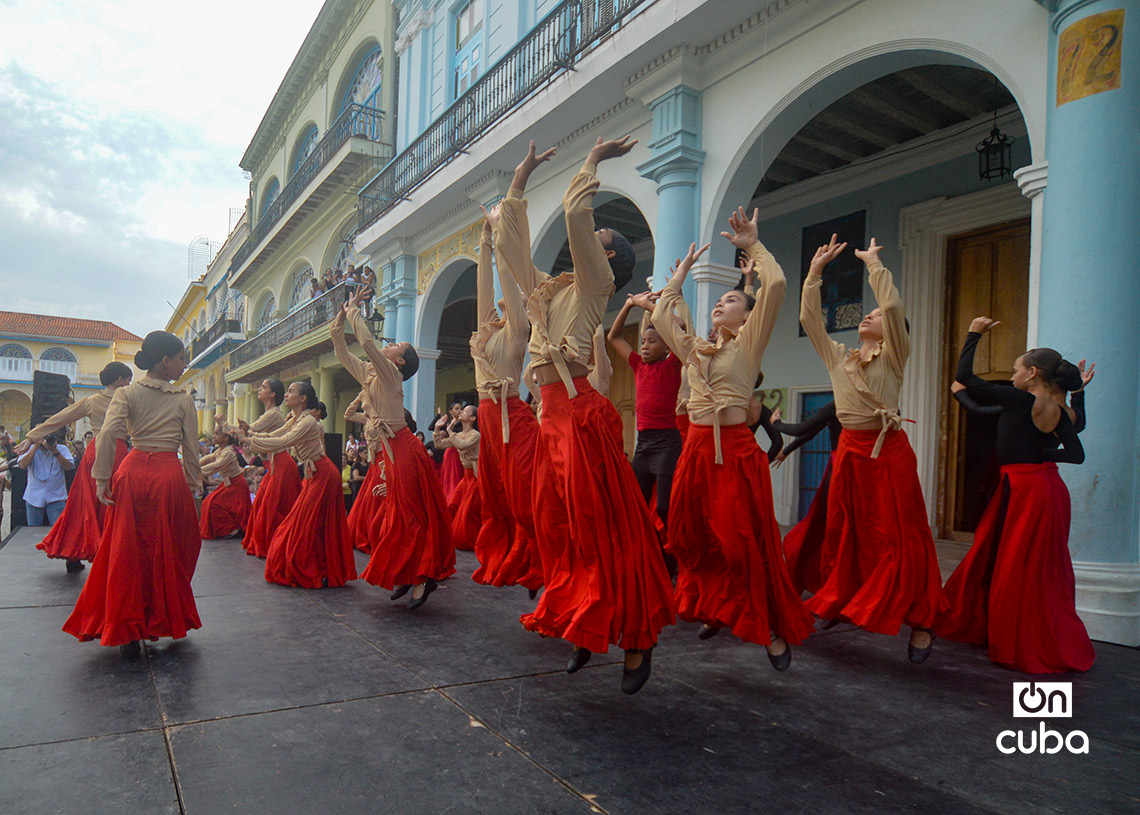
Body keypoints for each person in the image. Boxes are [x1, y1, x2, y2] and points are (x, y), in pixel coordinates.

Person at [502, 136, 675, 694]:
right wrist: (519, 183)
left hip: (579, 416)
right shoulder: (548, 295)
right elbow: (510, 247)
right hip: (549, 417)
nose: (588, 240)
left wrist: (593, 162)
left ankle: (638, 635)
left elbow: (577, 211)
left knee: (601, 530)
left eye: (599, 241)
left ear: (608, 261)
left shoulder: (596, 286)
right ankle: (583, 616)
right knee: (558, 531)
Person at [651, 229, 815, 669]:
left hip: (736, 454)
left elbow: (776, 286)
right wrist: (680, 274)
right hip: (697, 452)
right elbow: (664, 316)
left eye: (732, 301)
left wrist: (754, 246)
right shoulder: (696, 350)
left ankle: (771, 628)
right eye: (719, 300)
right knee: (690, 538)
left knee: (741, 543)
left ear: (747, 317)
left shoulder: (748, 345)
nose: (722, 303)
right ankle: (716, 606)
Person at [799, 234, 946, 663]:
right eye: (869, 311)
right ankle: (844, 598)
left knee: (901, 537)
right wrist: (814, 273)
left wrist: (873, 266)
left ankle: (922, 619)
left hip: (888, 452)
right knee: (847, 533)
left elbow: (896, 309)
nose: (871, 314)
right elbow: (811, 320)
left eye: (877, 314)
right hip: (849, 452)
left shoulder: (895, 355)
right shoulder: (839, 356)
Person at [937, 319, 1093, 673]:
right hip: (1049, 489)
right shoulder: (1060, 410)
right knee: (1042, 568)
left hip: (1023, 489)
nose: (1011, 377)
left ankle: (1010, 638)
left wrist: (974, 332)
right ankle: (1027, 633)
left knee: (1011, 564)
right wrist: (1079, 394)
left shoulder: (1018, 399)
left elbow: (967, 376)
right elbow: (1076, 448)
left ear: (1032, 373)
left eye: (1015, 370)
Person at [62, 331, 202, 658]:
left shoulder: (126, 394)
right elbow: (191, 449)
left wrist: (101, 478)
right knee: (169, 547)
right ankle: (161, 616)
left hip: (132, 470)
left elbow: (108, 432)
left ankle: (127, 625)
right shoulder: (183, 399)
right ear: (165, 361)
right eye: (181, 358)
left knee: (127, 549)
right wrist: (194, 482)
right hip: (168, 475)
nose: (184, 365)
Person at [333, 290, 453, 609]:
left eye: (396, 346)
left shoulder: (391, 375)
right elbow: (346, 357)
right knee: (396, 516)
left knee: (409, 515)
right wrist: (338, 328)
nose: (390, 344)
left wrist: (357, 311)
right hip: (391, 451)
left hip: (405, 449)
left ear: (399, 361)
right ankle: (409, 572)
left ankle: (423, 577)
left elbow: (369, 346)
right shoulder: (374, 374)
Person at [470, 195, 544, 592]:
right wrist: (484, 237)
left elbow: (505, 279)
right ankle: (516, 559)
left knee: (520, 500)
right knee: (495, 498)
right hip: (487, 418)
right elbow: (485, 285)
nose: (499, 303)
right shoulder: (486, 331)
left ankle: (539, 559)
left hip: (510, 416)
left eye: (507, 302)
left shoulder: (517, 332)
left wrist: (501, 235)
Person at [237, 383, 355, 588]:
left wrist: (249, 440)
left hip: (325, 475)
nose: (287, 394)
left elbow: (284, 441)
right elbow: (276, 435)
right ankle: (323, 568)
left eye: (291, 391)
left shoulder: (308, 422)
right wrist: (250, 438)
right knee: (309, 524)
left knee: (306, 524)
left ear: (303, 399)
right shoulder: (294, 418)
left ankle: (317, 569)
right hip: (313, 476)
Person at [16, 361, 132, 571]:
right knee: (114, 504)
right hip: (118, 453)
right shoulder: (129, 400)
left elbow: (60, 418)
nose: (129, 384)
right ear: (120, 380)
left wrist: (33, 436)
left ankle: (74, 552)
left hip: (95, 453)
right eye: (128, 380)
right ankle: (108, 551)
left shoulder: (92, 401)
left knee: (82, 504)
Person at [607, 291, 683, 575]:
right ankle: (651, 553)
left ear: (667, 346)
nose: (646, 346)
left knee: (664, 507)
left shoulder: (673, 364)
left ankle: (674, 554)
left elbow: (680, 328)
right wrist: (628, 305)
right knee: (636, 506)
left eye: (654, 341)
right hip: (644, 445)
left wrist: (652, 306)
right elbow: (614, 337)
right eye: (644, 342)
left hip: (667, 444)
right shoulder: (639, 366)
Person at [218, 379, 301, 558]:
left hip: (282, 463)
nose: (260, 390)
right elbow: (252, 433)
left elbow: (250, 432)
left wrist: (227, 425)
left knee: (271, 506)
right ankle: (273, 543)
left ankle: (276, 544)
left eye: (264, 387)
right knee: (266, 504)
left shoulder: (274, 415)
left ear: (272, 394)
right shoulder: (274, 414)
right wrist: (234, 429)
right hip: (276, 463)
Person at [772, 400, 842, 597]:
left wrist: (776, 423)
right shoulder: (859, 402)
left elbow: (803, 428)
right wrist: (786, 450)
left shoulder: (840, 403)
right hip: (855, 466)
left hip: (841, 468)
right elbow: (810, 431)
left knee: (828, 525)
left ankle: (834, 584)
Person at [434, 406, 481, 551]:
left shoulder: (475, 435)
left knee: (468, 512)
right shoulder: (459, 434)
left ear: (473, 419)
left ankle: (472, 541)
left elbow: (463, 445)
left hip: (475, 477)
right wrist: (437, 428)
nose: (462, 412)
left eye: (466, 411)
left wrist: (449, 430)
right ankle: (449, 536)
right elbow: (439, 444)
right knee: (452, 505)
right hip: (466, 477)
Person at [198, 427, 252, 539]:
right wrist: (192, 465)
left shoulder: (229, 453)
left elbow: (216, 466)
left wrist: (195, 471)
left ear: (226, 438)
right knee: (208, 502)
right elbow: (208, 459)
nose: (214, 436)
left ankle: (231, 529)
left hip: (236, 485)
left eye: (217, 434)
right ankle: (228, 529)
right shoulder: (220, 451)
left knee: (212, 503)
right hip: (229, 483)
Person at [17, 433, 74, 527]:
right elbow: (22, 465)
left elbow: (68, 467)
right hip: (33, 497)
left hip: (56, 497)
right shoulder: (29, 448)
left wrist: (54, 451)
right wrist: (35, 447)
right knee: (33, 531)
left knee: (57, 531)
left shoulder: (61, 449)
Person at [435, 403, 465, 500]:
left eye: (461, 408)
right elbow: (439, 443)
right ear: (451, 411)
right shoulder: (448, 422)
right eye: (456, 409)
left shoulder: (464, 423)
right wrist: (438, 428)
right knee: (451, 478)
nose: (459, 410)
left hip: (460, 452)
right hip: (452, 452)